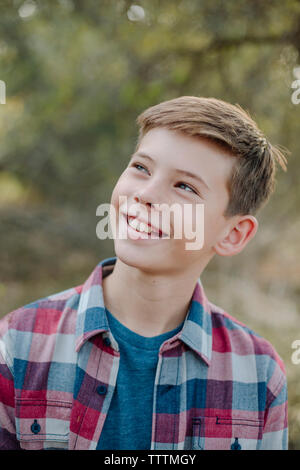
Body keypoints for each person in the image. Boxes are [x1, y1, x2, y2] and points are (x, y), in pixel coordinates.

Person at [0, 96, 288, 450]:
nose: (146, 194)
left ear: (232, 234)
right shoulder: (17, 343)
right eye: (141, 168)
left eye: (185, 187)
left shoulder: (260, 376)